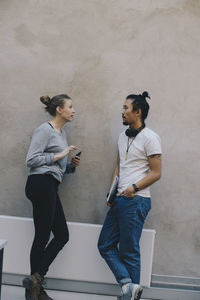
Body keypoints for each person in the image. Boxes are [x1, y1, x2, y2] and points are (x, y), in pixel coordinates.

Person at [98, 92, 161, 300]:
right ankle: (127, 287)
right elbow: (119, 166)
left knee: (129, 251)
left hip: (136, 199)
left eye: (126, 108)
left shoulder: (150, 137)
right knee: (105, 244)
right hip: (119, 199)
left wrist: (133, 188)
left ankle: (130, 295)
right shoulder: (121, 136)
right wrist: (112, 191)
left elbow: (156, 173)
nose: (122, 111)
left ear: (138, 112)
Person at [23, 94, 81, 300]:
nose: (74, 111)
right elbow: (31, 160)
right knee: (42, 236)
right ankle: (36, 288)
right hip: (40, 183)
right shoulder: (44, 130)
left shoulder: (61, 133)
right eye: (70, 107)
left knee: (61, 235)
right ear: (59, 109)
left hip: (49, 184)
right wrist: (60, 155)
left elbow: (54, 166)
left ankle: (35, 281)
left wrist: (69, 165)